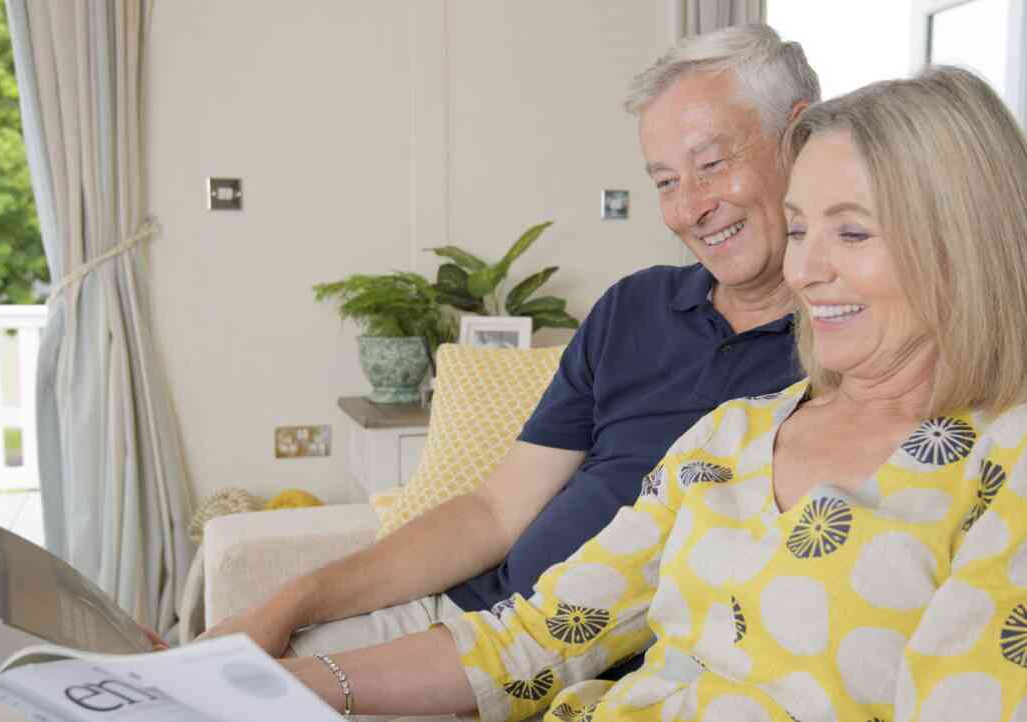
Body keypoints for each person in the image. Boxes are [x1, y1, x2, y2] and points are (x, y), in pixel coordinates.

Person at [279, 65, 1027, 721]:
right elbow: (540, 636)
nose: (803, 271)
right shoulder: (732, 432)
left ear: (964, 245)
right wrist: (294, 683)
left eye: (853, 234)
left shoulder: (1004, 465)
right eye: (800, 231)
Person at [201, 22, 816, 681]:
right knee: (200, 683)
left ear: (801, 139)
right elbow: (494, 512)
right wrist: (292, 602)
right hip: (465, 620)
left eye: (712, 164)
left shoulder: (852, 354)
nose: (690, 208)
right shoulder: (634, 308)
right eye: (666, 182)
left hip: (574, 672)